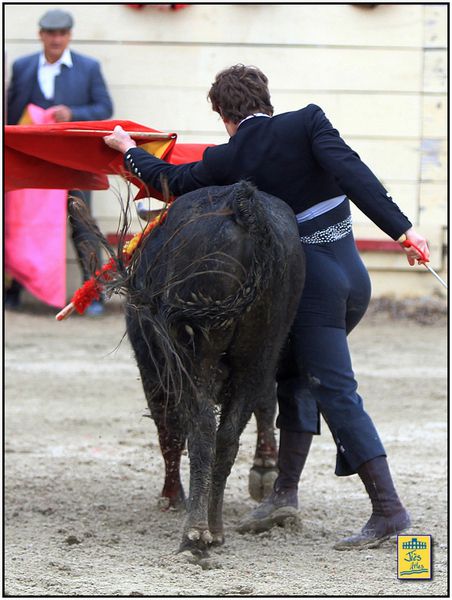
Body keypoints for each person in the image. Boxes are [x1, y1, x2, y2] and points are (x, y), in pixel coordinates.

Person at [103, 64, 429, 549]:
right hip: (351, 275)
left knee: (334, 389)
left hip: (310, 288)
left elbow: (167, 178)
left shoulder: (229, 157)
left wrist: (128, 151)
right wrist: (403, 230)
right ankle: (284, 492)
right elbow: (355, 173)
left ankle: (389, 509)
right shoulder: (309, 121)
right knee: (295, 372)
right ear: (266, 99)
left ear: (222, 114)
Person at [6, 8, 113, 315]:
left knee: (81, 222)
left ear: (69, 36)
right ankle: (14, 289)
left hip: (73, 162)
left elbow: (104, 107)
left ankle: (93, 293)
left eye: (62, 33)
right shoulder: (23, 66)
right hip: (34, 162)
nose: (56, 39)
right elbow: (13, 114)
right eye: (51, 34)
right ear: (41, 35)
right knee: (23, 224)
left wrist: (74, 114)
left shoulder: (88, 67)